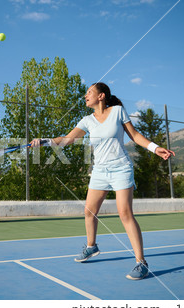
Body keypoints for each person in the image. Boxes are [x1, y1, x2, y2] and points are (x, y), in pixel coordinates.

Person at [30, 82, 175, 280]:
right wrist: (44, 141)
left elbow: (134, 135)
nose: (85, 96)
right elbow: (67, 139)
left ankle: (141, 262)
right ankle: (92, 247)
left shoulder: (117, 111)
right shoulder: (87, 120)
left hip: (121, 168)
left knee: (124, 214)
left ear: (101, 96)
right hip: (99, 171)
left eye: (89, 92)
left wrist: (155, 148)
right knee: (89, 211)